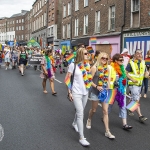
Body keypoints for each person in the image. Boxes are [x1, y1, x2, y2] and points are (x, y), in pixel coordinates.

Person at [65, 47, 92, 146]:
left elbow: (88, 78)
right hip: (76, 92)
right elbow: (67, 79)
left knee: (80, 111)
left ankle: (74, 123)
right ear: (80, 54)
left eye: (88, 53)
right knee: (80, 113)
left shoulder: (87, 64)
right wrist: (69, 92)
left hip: (85, 92)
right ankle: (81, 137)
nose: (87, 55)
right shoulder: (73, 65)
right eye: (85, 54)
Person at [86, 52, 115, 139]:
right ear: (99, 58)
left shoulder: (108, 68)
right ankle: (89, 119)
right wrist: (96, 86)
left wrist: (109, 88)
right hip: (95, 91)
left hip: (104, 92)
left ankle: (107, 131)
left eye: (106, 58)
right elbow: (88, 80)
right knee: (94, 110)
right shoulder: (94, 68)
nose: (104, 60)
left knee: (105, 111)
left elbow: (108, 81)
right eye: (103, 58)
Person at [109, 54, 133, 130]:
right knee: (109, 106)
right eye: (120, 60)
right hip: (113, 90)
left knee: (123, 106)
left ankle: (125, 124)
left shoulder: (122, 67)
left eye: (122, 60)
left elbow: (125, 77)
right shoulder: (111, 68)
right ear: (115, 61)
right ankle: (105, 117)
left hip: (121, 90)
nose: (122, 61)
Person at [126, 49, 148, 123]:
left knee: (135, 98)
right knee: (136, 99)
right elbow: (125, 73)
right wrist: (132, 79)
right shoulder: (131, 63)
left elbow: (145, 72)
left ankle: (129, 108)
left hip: (140, 84)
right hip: (133, 84)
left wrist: (147, 74)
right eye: (138, 53)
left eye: (141, 53)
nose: (139, 55)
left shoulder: (143, 62)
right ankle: (140, 116)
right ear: (134, 54)